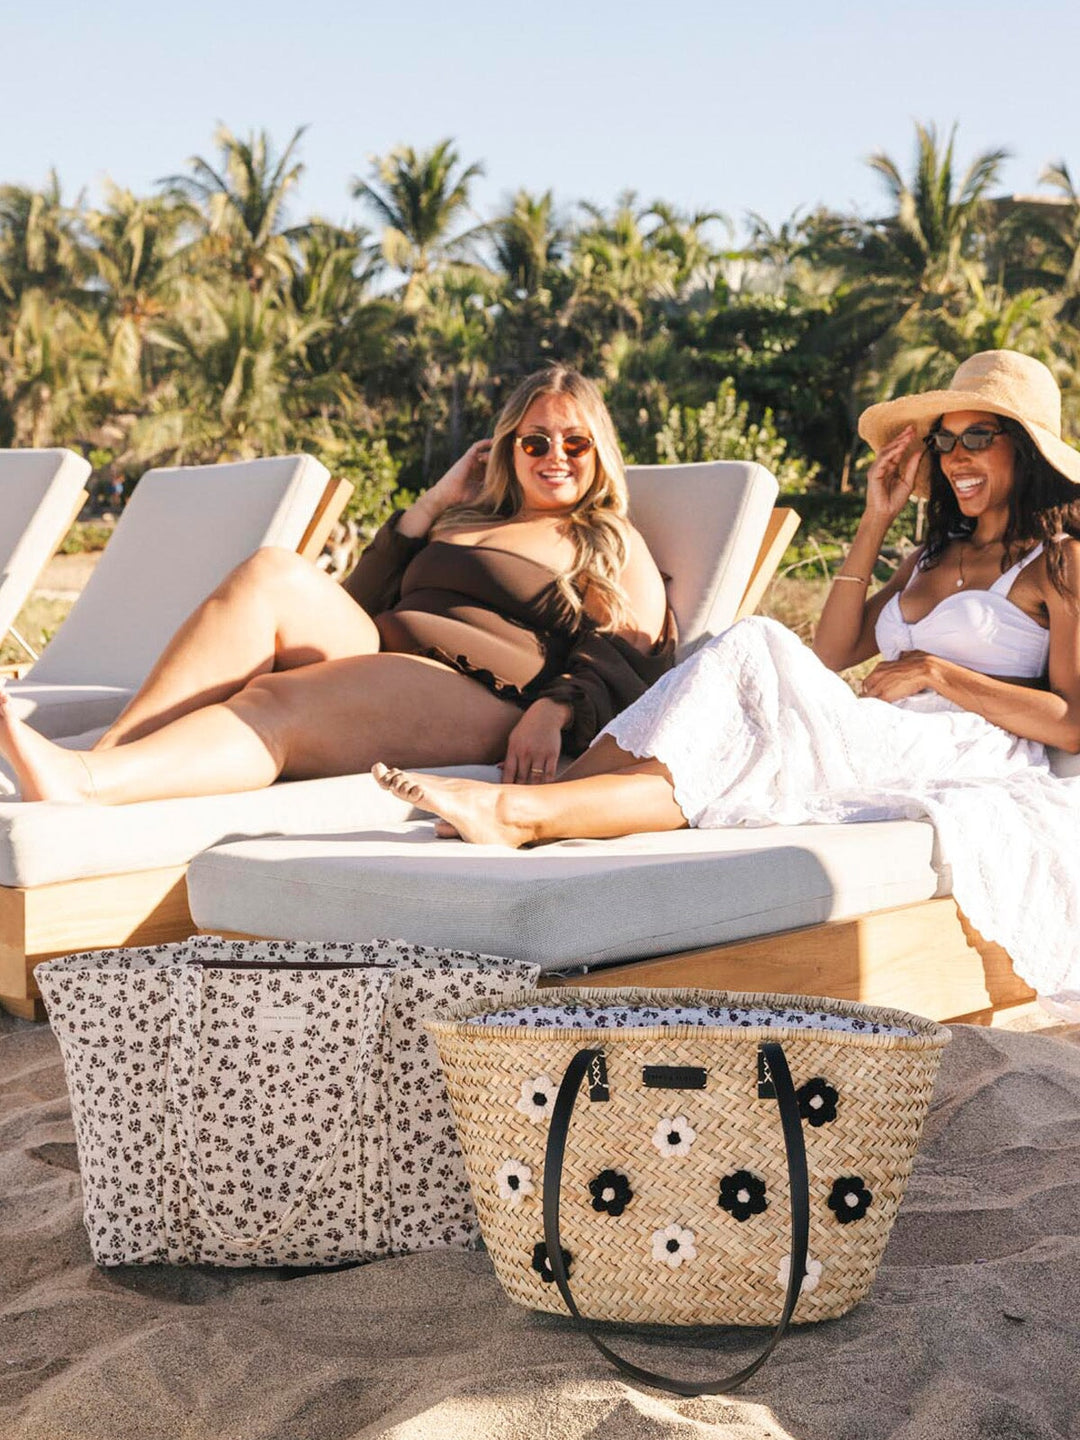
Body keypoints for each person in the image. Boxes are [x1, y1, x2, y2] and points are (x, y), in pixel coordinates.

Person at [373, 350, 1080, 1004]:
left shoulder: (1059, 562)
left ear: (1024, 448)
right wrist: (875, 517)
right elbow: (833, 651)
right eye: (945, 441)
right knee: (750, 651)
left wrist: (938, 672)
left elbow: (1072, 725)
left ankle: (531, 810)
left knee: (756, 649)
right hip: (885, 726)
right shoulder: (925, 559)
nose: (956, 456)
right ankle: (549, 805)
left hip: (966, 745)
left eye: (977, 437)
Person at [0, 366, 675, 803]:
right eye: (535, 442)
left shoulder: (606, 537)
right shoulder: (465, 518)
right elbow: (359, 600)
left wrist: (554, 710)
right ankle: (110, 758)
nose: (554, 456)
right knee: (273, 572)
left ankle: (87, 786)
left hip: (481, 693)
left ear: (599, 452)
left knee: (279, 698)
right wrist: (431, 506)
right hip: (387, 652)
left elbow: (630, 652)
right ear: (509, 449)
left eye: (574, 443)